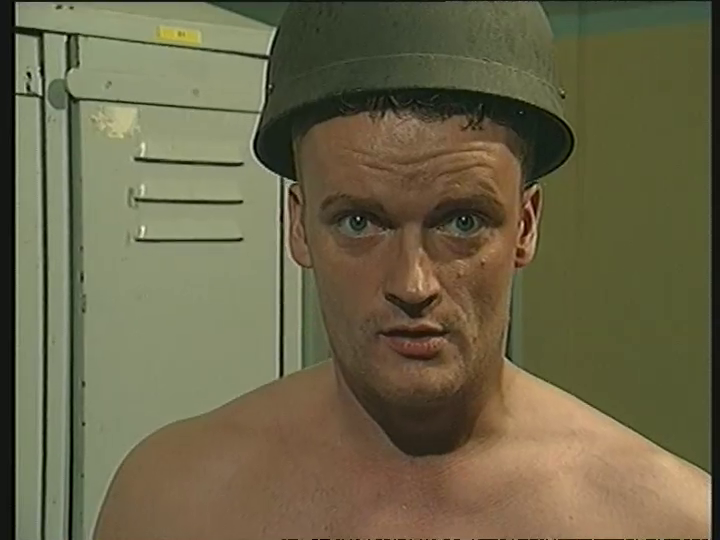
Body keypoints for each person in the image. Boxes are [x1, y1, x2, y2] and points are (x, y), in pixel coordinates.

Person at [94, 3, 710, 538]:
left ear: (524, 227)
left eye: (462, 222)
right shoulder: (171, 503)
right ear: (297, 225)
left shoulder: (667, 521)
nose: (413, 285)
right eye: (359, 222)